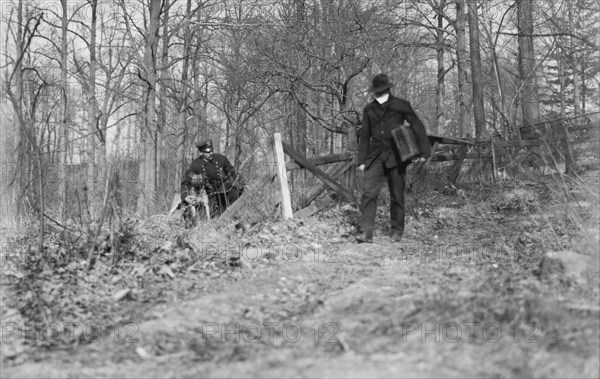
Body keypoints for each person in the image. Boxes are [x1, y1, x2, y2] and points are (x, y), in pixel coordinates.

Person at [356, 74, 431, 243]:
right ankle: (365, 232)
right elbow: (365, 135)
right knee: (369, 193)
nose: (378, 95)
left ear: (388, 90)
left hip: (397, 156)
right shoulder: (369, 109)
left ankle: (397, 231)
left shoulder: (401, 105)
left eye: (381, 92)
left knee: (397, 194)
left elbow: (417, 125)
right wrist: (361, 161)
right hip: (374, 156)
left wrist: (424, 152)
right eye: (376, 92)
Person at [180, 140, 244, 216]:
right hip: (208, 194)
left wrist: (227, 182)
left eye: (212, 151)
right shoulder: (196, 164)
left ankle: (232, 216)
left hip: (224, 189)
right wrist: (185, 196)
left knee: (234, 193)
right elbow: (186, 182)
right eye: (208, 152)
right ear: (201, 152)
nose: (211, 153)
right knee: (203, 215)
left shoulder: (221, 159)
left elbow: (232, 172)